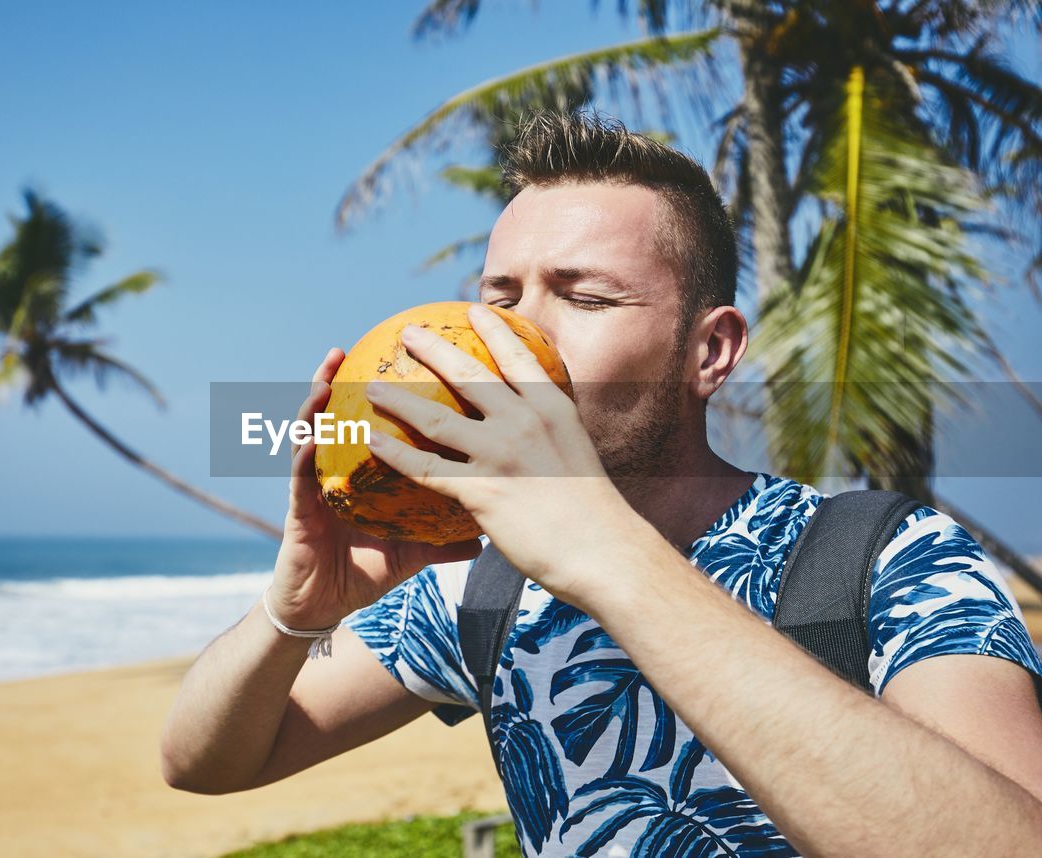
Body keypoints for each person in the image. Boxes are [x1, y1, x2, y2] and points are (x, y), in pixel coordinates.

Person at [160, 109, 1042, 856]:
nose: (516, 340)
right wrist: (296, 611)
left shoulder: (888, 558)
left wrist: (605, 551)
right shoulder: (481, 587)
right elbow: (206, 762)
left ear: (710, 351)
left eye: (584, 300)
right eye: (500, 298)